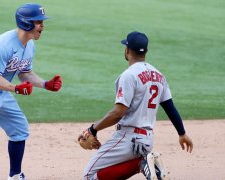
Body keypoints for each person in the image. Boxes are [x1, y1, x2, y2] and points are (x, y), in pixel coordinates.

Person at [0, 3, 62, 180]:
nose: (42, 27)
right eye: (39, 22)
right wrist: (16, 88)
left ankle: (15, 175)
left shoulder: (29, 45)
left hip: (1, 89)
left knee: (19, 129)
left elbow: (24, 73)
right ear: (26, 23)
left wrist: (46, 84)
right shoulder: (3, 45)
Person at [79, 31, 193, 180]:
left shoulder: (129, 75)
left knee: (89, 176)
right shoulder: (159, 75)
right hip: (147, 141)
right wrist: (182, 133)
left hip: (128, 139)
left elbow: (118, 113)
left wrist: (93, 129)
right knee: (110, 172)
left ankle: (141, 163)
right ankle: (144, 163)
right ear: (146, 51)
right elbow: (169, 106)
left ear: (127, 50)